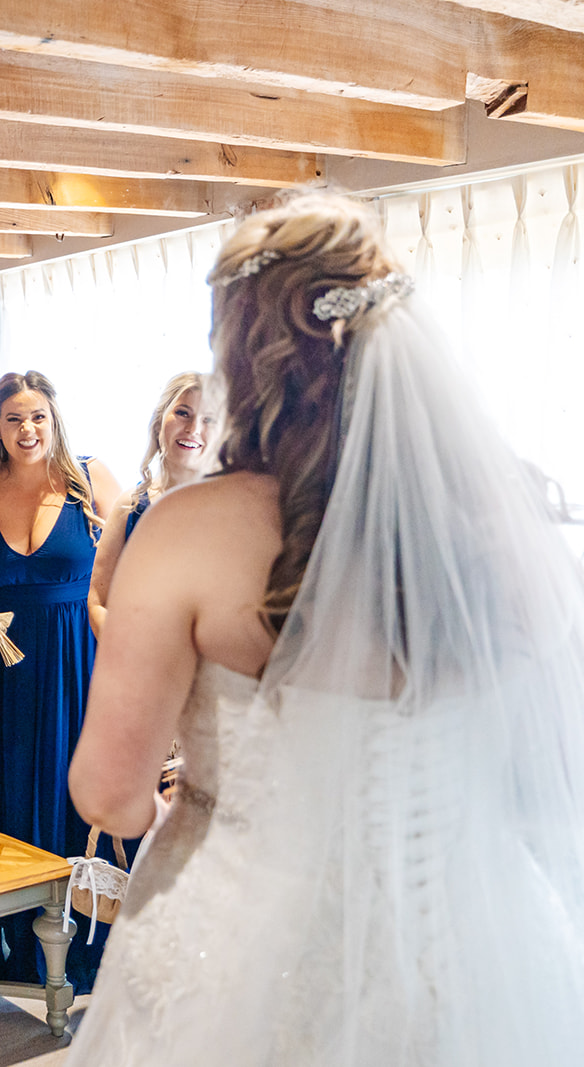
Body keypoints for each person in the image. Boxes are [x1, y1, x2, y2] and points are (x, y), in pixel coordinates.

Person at [67, 193, 584, 1064]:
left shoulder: (191, 529)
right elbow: (542, 767)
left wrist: (189, 808)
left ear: (244, 348)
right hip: (462, 947)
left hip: (232, 947)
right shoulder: (507, 524)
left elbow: (108, 791)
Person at [0, 371, 119, 988]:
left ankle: (86, 942)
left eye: (37, 416)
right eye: (14, 419)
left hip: (77, 662)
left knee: (76, 790)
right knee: (8, 789)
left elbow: (126, 578)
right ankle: (18, 939)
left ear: (55, 419)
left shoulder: (90, 483)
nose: (27, 429)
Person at [87, 371, 214, 637]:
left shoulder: (228, 509)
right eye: (183, 413)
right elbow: (98, 600)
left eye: (208, 419)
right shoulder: (130, 506)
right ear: (159, 422)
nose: (193, 429)